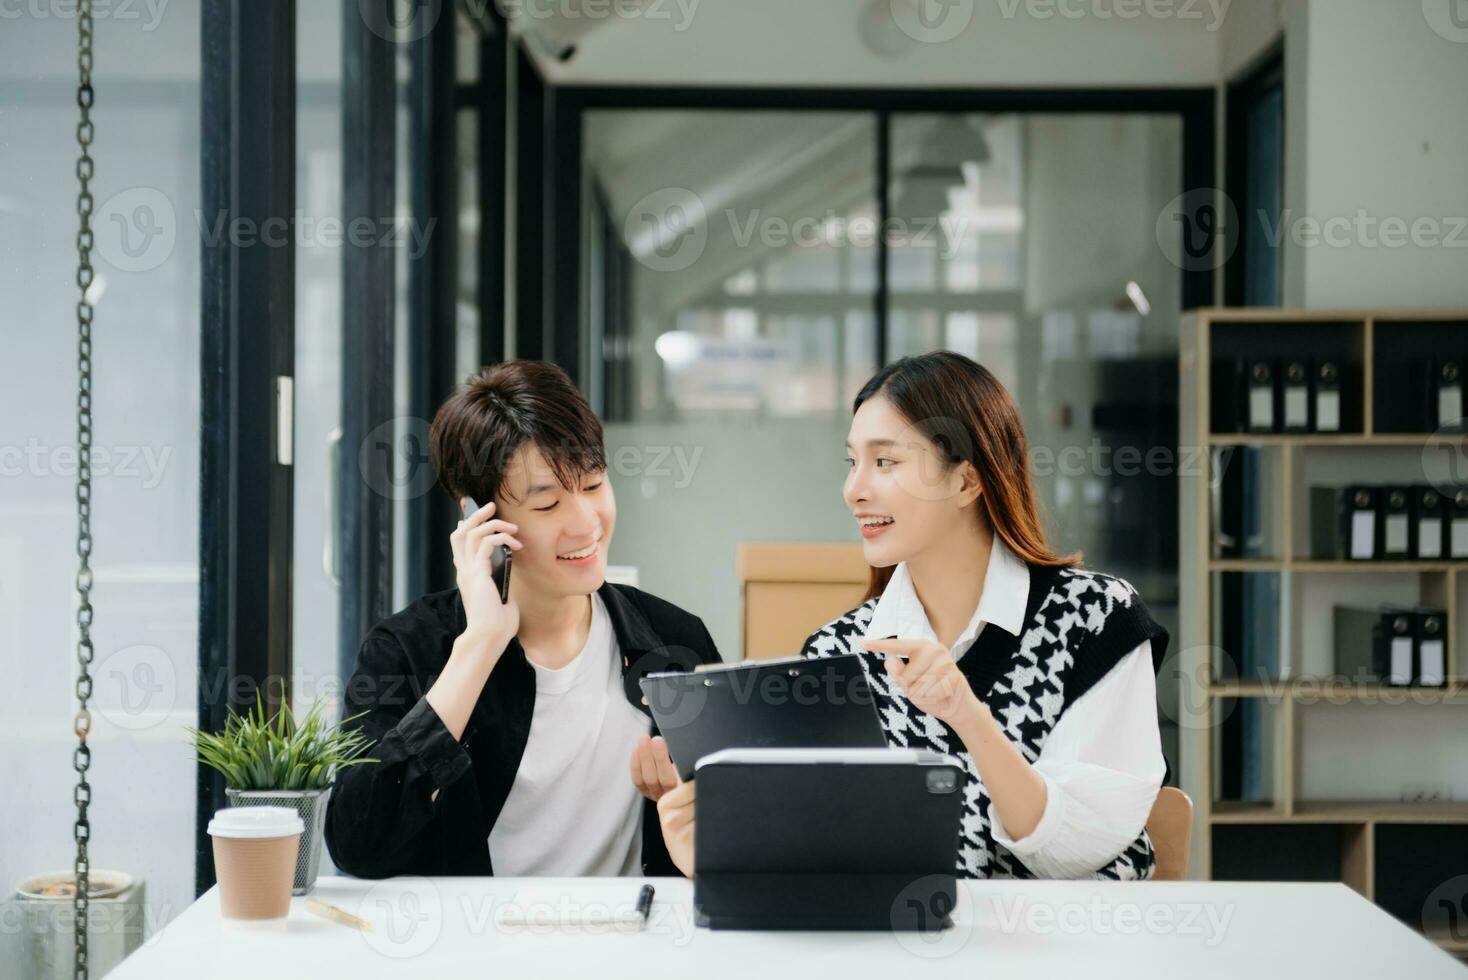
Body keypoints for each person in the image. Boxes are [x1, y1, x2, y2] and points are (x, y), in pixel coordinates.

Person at [653, 351, 1170, 880]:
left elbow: (1075, 852)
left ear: (967, 482)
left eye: (885, 462)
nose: (854, 489)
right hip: (898, 958)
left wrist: (967, 715)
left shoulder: (1095, 619)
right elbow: (828, 865)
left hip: (1070, 956)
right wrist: (718, 860)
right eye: (852, 462)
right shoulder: (838, 654)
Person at [324, 360, 719, 878]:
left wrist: (687, 809)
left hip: (627, 950)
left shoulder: (674, 641)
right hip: (474, 952)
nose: (585, 522)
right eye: (549, 503)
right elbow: (359, 844)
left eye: (594, 484)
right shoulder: (408, 649)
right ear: (478, 519)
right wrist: (481, 643)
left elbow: (731, 842)